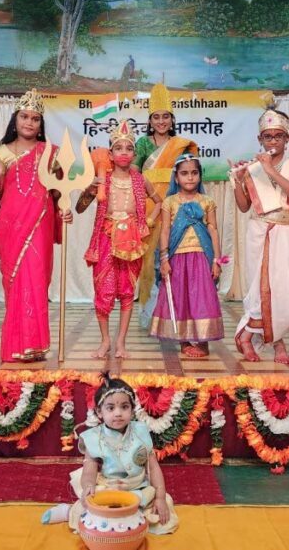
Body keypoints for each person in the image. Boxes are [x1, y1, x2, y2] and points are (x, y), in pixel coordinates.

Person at [0, 89, 72, 363]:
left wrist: (64, 208)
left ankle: (35, 344)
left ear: (41, 124)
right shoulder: (1, 152)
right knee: (14, 282)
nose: (29, 123)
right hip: (13, 226)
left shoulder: (51, 154)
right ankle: (16, 345)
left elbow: (59, 191)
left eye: (35, 118)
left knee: (36, 280)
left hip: (40, 225)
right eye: (24, 117)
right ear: (15, 119)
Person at [41, 373, 178, 535]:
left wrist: (160, 498)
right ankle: (69, 511)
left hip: (138, 489)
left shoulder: (141, 431)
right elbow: (89, 470)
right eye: (111, 408)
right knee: (89, 505)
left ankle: (131, 517)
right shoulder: (94, 437)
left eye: (124, 407)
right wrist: (88, 487)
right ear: (99, 412)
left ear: (132, 410)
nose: (118, 413)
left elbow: (154, 468)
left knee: (164, 506)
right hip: (108, 489)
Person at [231, 102, 289, 364]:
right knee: (264, 290)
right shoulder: (252, 169)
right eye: (268, 136)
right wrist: (237, 180)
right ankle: (266, 342)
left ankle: (263, 337)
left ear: (287, 138)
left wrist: (270, 170)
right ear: (260, 139)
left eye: (278, 135)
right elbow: (244, 207)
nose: (273, 140)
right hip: (261, 232)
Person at [78, 120, 162, 360]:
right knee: (103, 290)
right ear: (111, 154)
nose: (124, 152)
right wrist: (89, 191)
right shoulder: (102, 179)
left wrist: (147, 223)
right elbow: (81, 208)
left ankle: (121, 343)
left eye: (128, 148)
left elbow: (160, 202)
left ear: (134, 154)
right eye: (118, 148)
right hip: (105, 238)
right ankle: (105, 341)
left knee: (126, 292)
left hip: (132, 241)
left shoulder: (140, 179)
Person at [135, 83, 198, 327]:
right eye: (156, 117)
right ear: (150, 120)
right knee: (149, 261)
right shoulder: (142, 144)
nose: (161, 121)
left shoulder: (180, 145)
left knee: (173, 258)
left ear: (172, 120)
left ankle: (174, 311)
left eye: (165, 117)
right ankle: (148, 313)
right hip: (149, 207)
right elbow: (134, 175)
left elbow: (189, 175)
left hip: (175, 205)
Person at [151, 153, 224, 356]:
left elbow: (213, 230)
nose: (189, 178)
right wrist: (164, 260)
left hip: (201, 257)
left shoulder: (207, 201)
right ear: (176, 178)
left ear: (200, 176)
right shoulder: (170, 202)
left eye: (194, 173)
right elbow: (165, 231)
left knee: (202, 297)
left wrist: (216, 260)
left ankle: (203, 339)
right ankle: (183, 341)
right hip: (177, 258)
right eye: (184, 174)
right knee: (180, 297)